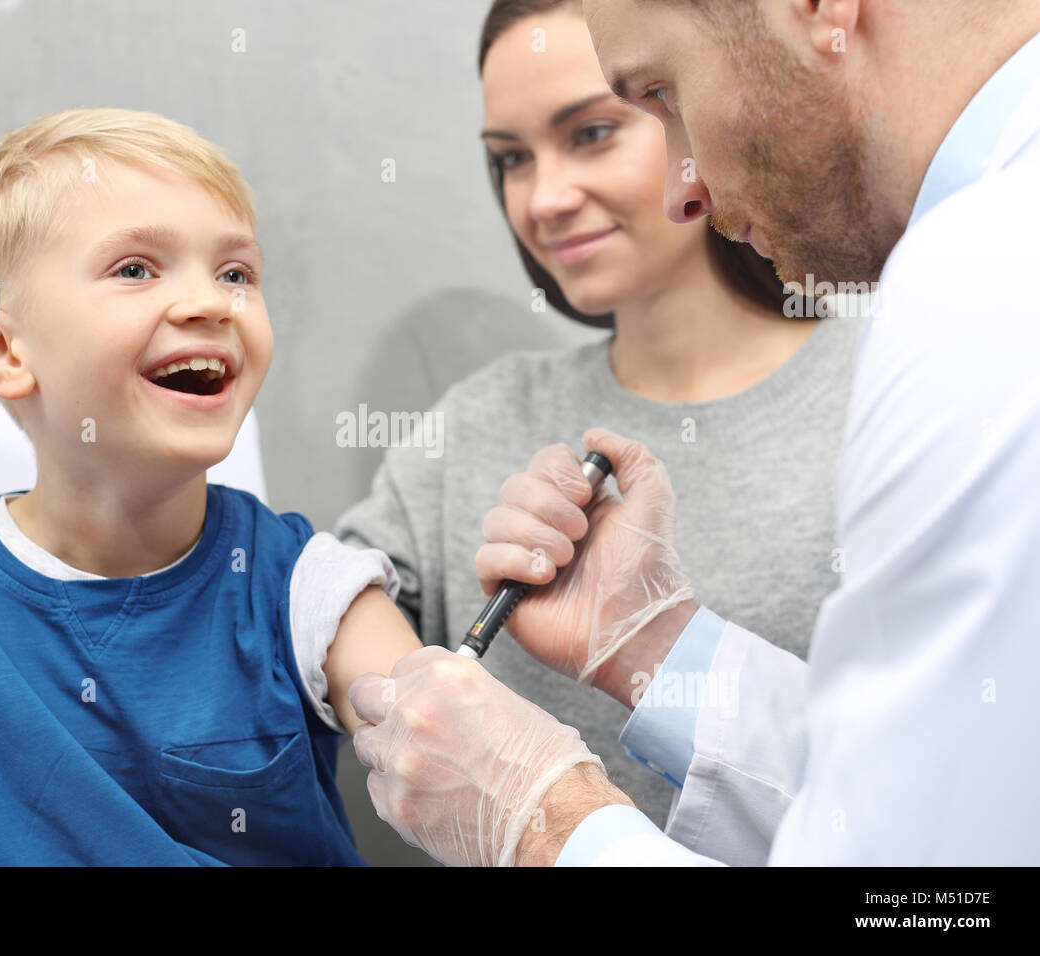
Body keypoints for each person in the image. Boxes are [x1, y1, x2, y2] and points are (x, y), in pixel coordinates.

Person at [0, 0, 861, 837]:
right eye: (509, 156)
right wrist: (13, 538)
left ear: (680, 109)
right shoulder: (481, 420)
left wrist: (558, 792)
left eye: (591, 131)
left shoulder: (886, 390)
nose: (545, 197)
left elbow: (926, 815)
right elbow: (258, 606)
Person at [349, 0, 1040, 866]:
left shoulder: (980, 285)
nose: (690, 189)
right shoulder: (984, 266)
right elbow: (921, 824)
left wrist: (542, 819)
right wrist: (649, 641)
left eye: (656, 96)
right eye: (512, 159)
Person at [0, 107, 428, 866]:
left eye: (236, 273)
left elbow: (462, 757)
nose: (210, 303)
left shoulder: (310, 589)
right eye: (135, 269)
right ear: (1, 347)